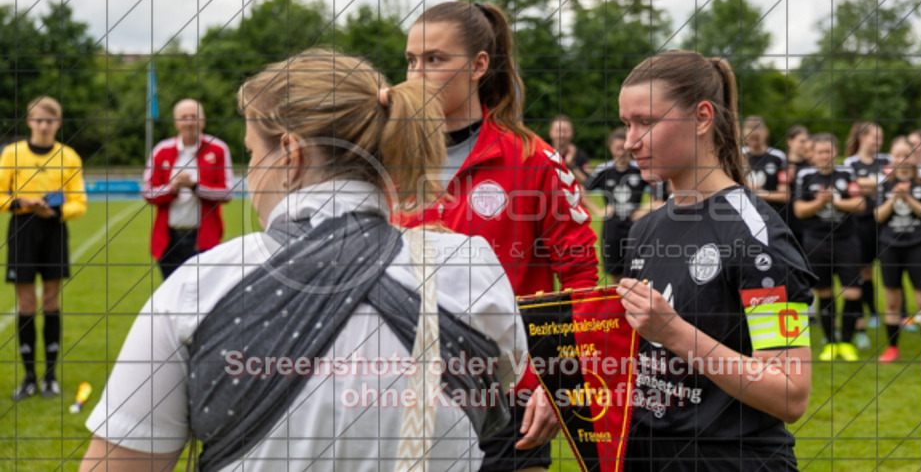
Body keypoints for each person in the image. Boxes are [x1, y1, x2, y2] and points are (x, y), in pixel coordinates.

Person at [81, 49, 527, 470]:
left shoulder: (199, 285)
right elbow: (495, 396)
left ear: (290, 157)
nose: (251, 172)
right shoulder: (471, 272)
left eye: (253, 153)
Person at [402, 1, 599, 472]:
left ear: (478, 65)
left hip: (505, 401)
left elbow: (581, 281)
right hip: (397, 394)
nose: (417, 72)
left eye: (434, 59)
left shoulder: (533, 159)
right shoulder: (387, 158)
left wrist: (558, 384)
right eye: (410, 60)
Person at [614, 50, 814, 471]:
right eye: (627, 124)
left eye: (647, 122)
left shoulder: (757, 235)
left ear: (702, 117)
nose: (631, 141)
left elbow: (791, 392)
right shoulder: (644, 230)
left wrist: (675, 333)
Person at [1, 96, 87, 401]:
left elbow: (79, 201)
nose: (44, 125)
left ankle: (50, 376)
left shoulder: (69, 156)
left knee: (51, 302)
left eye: (50, 121)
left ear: (58, 124)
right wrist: (19, 202)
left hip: (53, 229)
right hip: (22, 230)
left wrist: (57, 212)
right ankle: (28, 378)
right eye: (38, 120)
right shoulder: (13, 154)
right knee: (26, 303)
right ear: (29, 122)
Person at [141, 99, 235, 279]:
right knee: (172, 299)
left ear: (203, 121)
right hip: (169, 239)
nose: (190, 122)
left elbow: (228, 192)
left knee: (203, 297)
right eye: (184, 117)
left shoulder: (218, 149)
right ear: (176, 122)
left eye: (194, 116)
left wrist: (195, 187)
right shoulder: (161, 151)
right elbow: (148, 192)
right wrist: (173, 187)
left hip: (204, 238)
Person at [794, 133, 866, 362]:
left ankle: (846, 342)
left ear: (835, 152)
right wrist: (819, 203)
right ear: (813, 155)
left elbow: (860, 204)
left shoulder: (847, 173)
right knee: (824, 293)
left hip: (846, 240)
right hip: (817, 241)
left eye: (829, 151)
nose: (825, 155)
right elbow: (799, 210)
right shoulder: (805, 175)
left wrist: (835, 201)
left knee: (853, 292)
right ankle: (831, 344)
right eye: (821, 152)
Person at [874, 136, 921, 368]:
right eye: (897, 155)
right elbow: (878, 216)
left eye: (906, 155)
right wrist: (894, 198)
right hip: (890, 246)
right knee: (892, 300)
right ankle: (892, 348)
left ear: (914, 157)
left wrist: (908, 198)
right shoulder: (884, 184)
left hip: (918, 245)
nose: (902, 160)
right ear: (892, 157)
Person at [842, 121, 888, 342]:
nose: (878, 142)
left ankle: (883, 314)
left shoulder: (886, 160)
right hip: (860, 223)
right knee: (860, 273)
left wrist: (870, 184)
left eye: (881, 137)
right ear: (862, 137)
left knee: (880, 270)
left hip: (883, 221)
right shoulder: (850, 163)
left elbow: (892, 181)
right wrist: (878, 182)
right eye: (874, 137)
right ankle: (861, 321)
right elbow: (852, 185)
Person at [585, 128, 646, 283]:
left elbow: (661, 190)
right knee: (616, 276)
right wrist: (598, 210)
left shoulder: (640, 169)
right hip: (612, 230)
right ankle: (618, 306)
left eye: (625, 148)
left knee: (638, 274)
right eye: (618, 148)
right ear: (610, 147)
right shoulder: (604, 170)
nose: (622, 152)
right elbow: (581, 191)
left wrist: (647, 208)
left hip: (635, 229)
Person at [742, 116, 789, 218]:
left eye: (756, 138)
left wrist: (757, 193)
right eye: (750, 138)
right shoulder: (738, 155)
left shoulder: (778, 157)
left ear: (765, 133)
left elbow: (784, 195)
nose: (754, 142)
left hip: (771, 215)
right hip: (745, 215)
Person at [549, 114, 591, 185]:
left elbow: (587, 183)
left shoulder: (580, 155)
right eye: (558, 131)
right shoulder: (543, 154)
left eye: (565, 131)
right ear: (551, 133)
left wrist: (571, 165)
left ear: (572, 133)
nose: (561, 135)